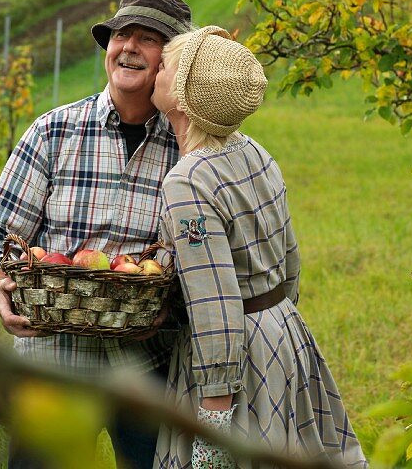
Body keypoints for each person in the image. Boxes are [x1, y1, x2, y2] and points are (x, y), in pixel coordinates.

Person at [0, 0, 195, 469]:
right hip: (53, 367)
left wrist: (168, 307)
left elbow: (200, 260)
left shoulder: (188, 150)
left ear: (171, 62)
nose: (129, 47)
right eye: (121, 35)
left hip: (146, 368)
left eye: (148, 38)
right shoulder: (53, 131)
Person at [150, 26, 368, 469]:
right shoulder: (254, 152)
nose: (157, 68)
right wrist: (279, 331)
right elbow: (291, 265)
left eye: (167, 65)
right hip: (283, 332)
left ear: (185, 99)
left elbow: (214, 307)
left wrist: (214, 422)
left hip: (236, 357)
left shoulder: (188, 181)